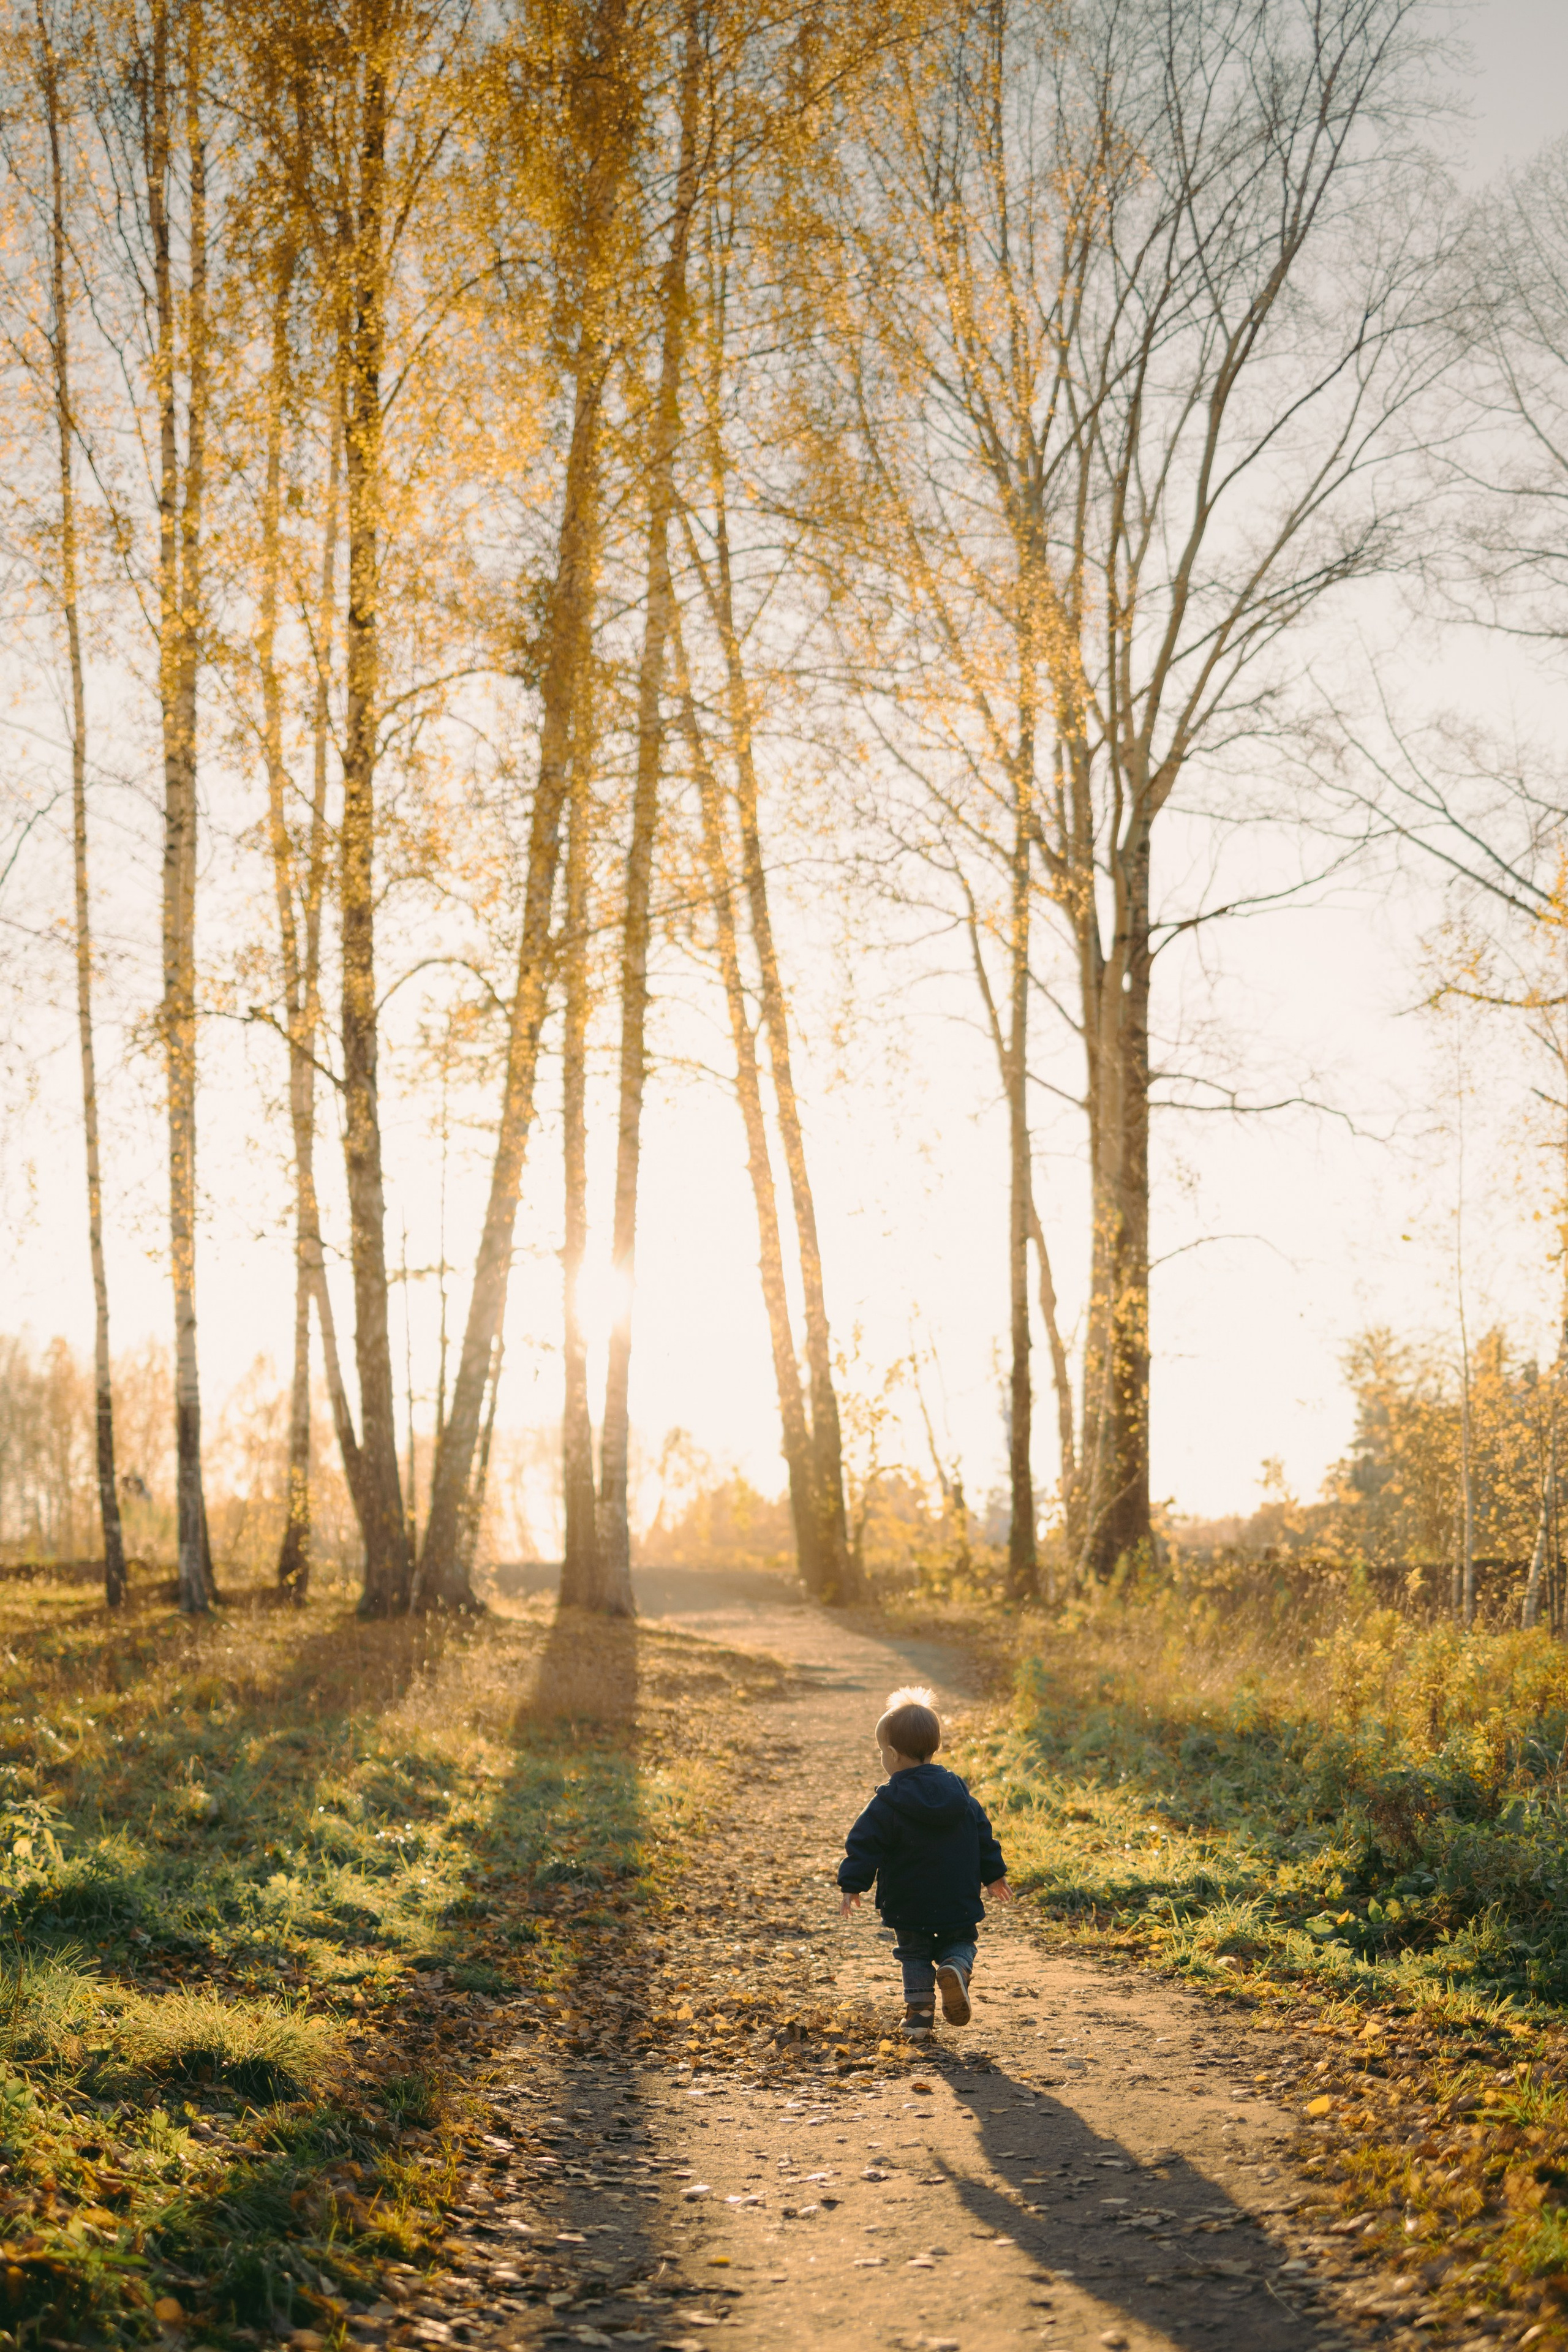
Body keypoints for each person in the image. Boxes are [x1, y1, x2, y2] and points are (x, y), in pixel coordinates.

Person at [837, 1684, 1012, 2038]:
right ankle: (956, 1968)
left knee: (913, 1953)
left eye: (880, 1753)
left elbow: (863, 1843)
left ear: (893, 1754)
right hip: (957, 1897)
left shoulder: (886, 1803)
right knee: (961, 1941)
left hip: (908, 1899)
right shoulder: (961, 1797)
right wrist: (994, 1876)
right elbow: (983, 1836)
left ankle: (919, 2016)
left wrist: (852, 1885)